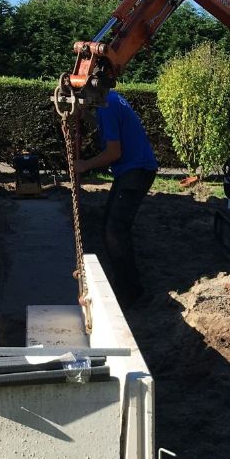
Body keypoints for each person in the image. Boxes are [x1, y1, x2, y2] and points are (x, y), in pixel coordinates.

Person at [73, 90, 158, 306]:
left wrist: (85, 165)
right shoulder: (111, 99)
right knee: (113, 228)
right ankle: (126, 287)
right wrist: (88, 117)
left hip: (135, 170)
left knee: (114, 231)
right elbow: (113, 129)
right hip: (136, 169)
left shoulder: (107, 106)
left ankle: (131, 293)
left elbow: (113, 152)